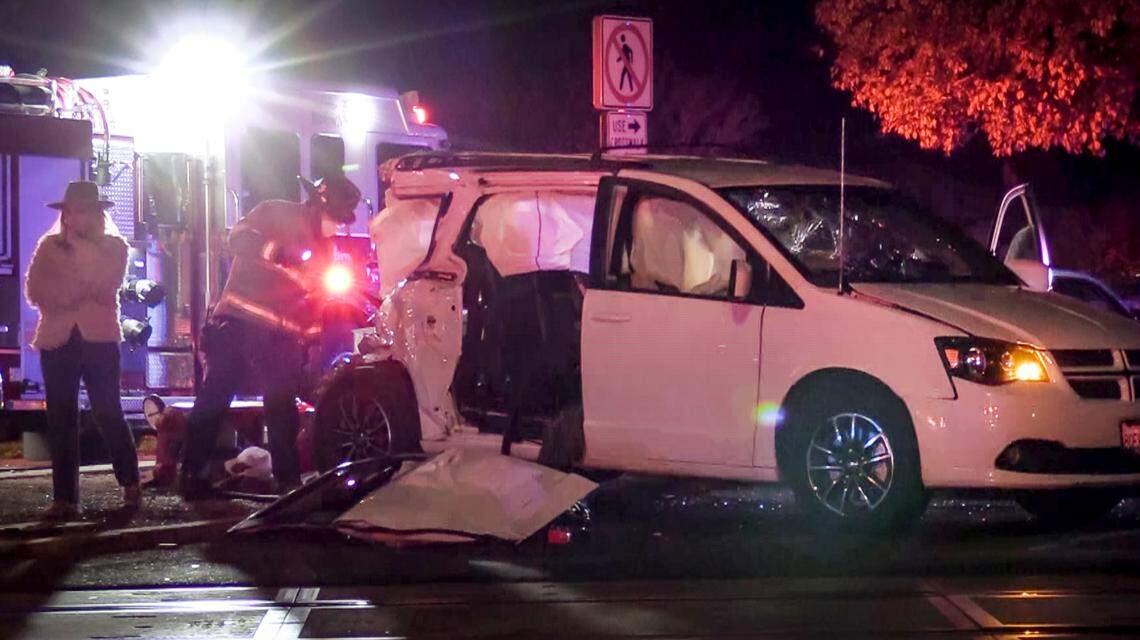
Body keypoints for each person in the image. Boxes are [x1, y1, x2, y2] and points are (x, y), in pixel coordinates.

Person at [178, 174, 360, 499]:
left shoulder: (325, 249)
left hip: (281, 338)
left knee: (281, 407)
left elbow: (315, 300)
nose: (338, 227)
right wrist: (275, 251)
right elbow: (237, 237)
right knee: (216, 395)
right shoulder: (275, 212)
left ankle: (287, 483)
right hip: (237, 323)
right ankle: (193, 474)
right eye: (336, 219)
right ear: (319, 205)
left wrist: (311, 343)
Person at [25, 180, 140, 521]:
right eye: (71, 211)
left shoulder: (114, 247)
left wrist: (75, 256)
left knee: (107, 411)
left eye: (84, 211)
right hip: (57, 339)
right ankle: (65, 499)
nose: (76, 217)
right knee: (61, 417)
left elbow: (106, 284)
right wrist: (70, 294)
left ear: (96, 214)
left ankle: (130, 480)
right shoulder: (48, 247)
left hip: (100, 339)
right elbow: (35, 288)